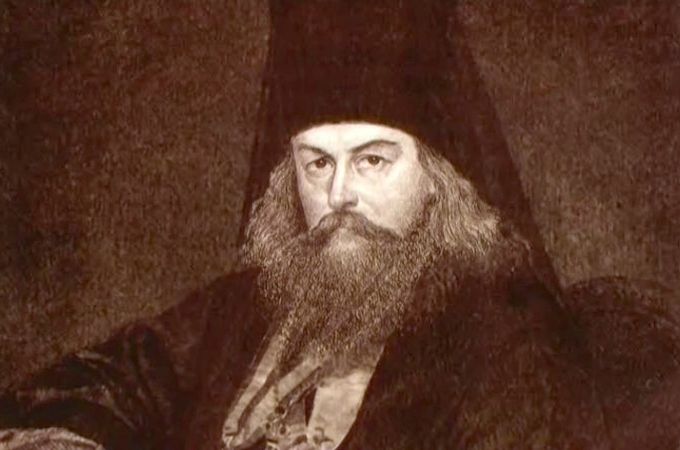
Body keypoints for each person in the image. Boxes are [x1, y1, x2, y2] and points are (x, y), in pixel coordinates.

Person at [2, 1, 680, 449]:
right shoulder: (254, 305)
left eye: (372, 160)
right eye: (317, 163)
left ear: (439, 180)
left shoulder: (511, 344)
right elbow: (107, 380)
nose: (339, 195)